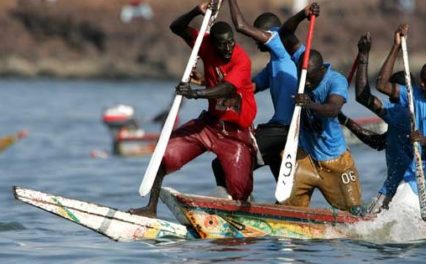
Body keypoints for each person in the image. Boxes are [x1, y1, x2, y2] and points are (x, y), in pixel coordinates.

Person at [128, 2, 257, 217]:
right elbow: (176, 27)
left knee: (241, 190)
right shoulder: (204, 44)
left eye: (231, 43)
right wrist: (196, 11)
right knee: (163, 154)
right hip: (209, 125)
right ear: (213, 43)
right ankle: (150, 209)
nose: (227, 49)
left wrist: (195, 93)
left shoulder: (241, 60)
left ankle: (242, 215)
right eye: (222, 45)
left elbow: (226, 88)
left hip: (235, 134)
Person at [211, 1, 319, 193]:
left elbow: (240, 25)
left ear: (268, 34)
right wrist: (207, 82)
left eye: (259, 36)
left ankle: (232, 203)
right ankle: (284, 212)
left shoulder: (277, 42)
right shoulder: (274, 65)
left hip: (284, 129)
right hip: (279, 130)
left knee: (224, 163)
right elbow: (247, 88)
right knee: (284, 188)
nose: (256, 40)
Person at [282, 49, 363, 215]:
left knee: (355, 213)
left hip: (336, 161)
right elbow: (286, 36)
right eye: (304, 77)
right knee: (287, 208)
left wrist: (309, 104)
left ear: (321, 70)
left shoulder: (336, 81)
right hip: (305, 157)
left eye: (310, 79)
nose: (307, 83)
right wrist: (299, 20)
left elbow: (333, 109)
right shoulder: (303, 62)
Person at [338, 33, 413, 213]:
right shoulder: (407, 119)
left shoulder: (400, 112)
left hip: (400, 188)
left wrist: (363, 55)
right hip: (410, 187)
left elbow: (364, 96)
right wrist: (345, 120)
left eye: (390, 95)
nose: (387, 98)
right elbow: (379, 143)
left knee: (365, 223)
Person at [375, 24, 426, 218]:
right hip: (416, 180)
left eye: (425, 81)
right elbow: (381, 84)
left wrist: (425, 141)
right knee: (391, 217)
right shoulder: (415, 96)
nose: (420, 84)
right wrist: (395, 46)